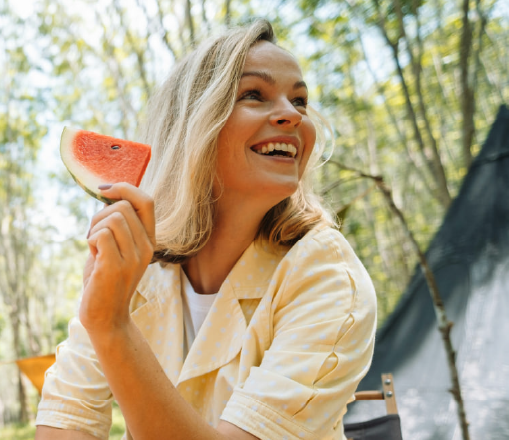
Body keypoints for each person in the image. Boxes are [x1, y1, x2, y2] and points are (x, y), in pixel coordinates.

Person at [35, 19, 377, 440]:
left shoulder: (326, 277)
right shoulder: (138, 265)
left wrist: (112, 325)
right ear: (192, 124)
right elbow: (68, 422)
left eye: (300, 100)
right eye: (254, 94)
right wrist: (105, 317)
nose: (292, 113)